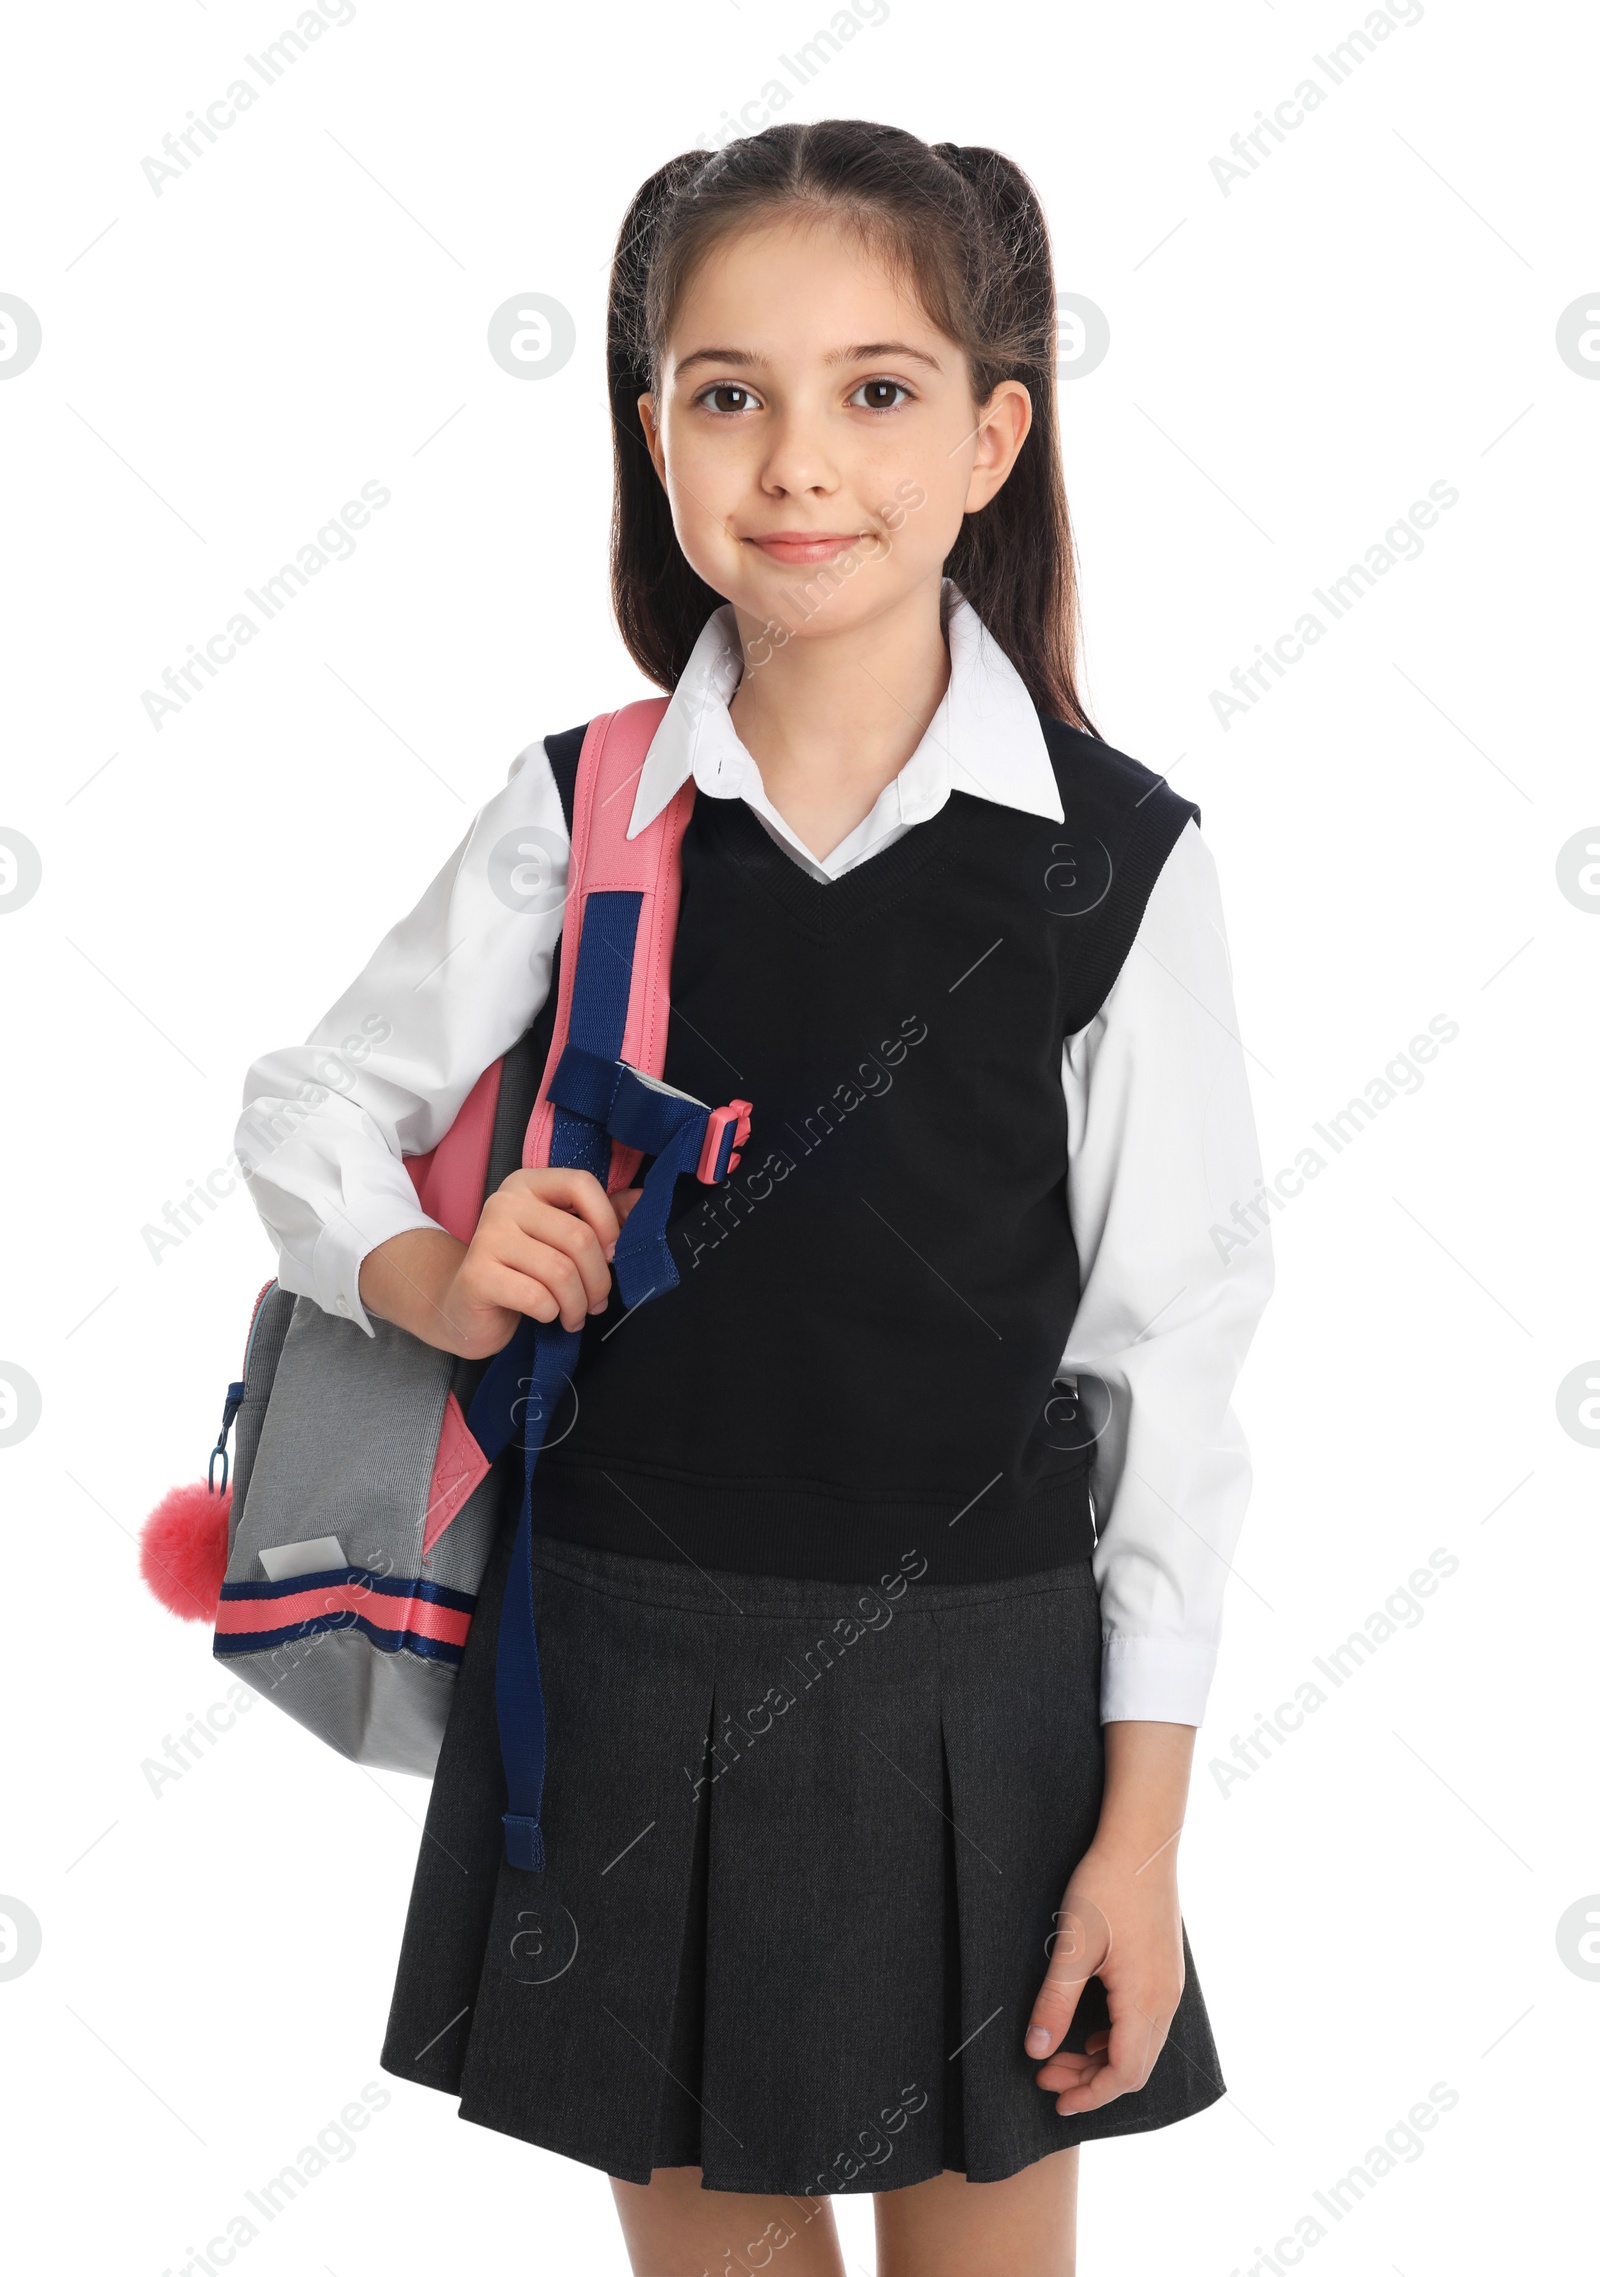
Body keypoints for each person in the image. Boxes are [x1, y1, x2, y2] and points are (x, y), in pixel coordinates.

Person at [237, 119, 1274, 2277]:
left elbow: (1167, 1358)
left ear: (994, 435)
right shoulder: (585, 808)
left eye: (875, 391)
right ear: (654, 430)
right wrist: (427, 1266)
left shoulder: (1107, 858)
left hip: (984, 1680)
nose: (796, 460)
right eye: (728, 393)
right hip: (619, 1652)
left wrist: (1141, 1830)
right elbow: (313, 1101)